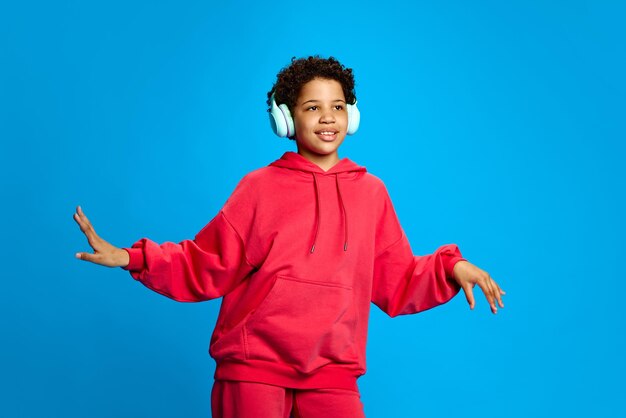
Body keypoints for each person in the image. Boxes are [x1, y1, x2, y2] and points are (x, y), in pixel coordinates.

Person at [74, 56, 505, 418]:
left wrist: (452, 266)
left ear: (351, 116)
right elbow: (206, 261)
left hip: (333, 372)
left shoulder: (372, 192)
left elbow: (398, 279)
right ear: (286, 118)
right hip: (252, 368)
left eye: (337, 107)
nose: (327, 118)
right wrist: (134, 258)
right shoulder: (259, 187)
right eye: (312, 108)